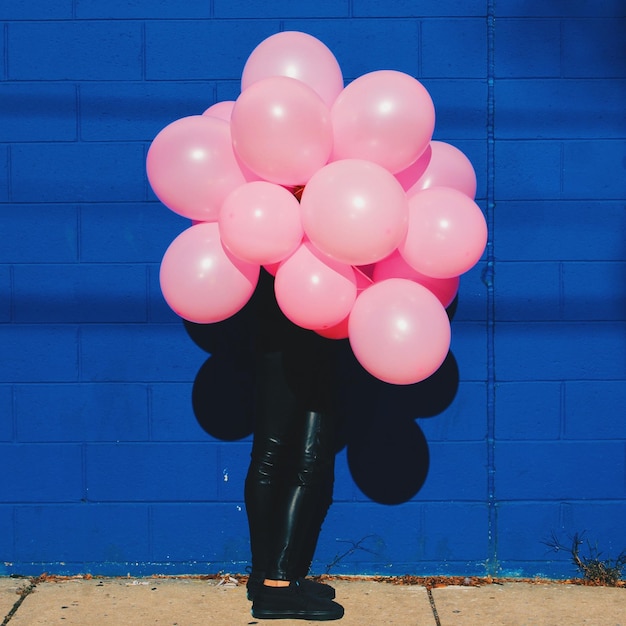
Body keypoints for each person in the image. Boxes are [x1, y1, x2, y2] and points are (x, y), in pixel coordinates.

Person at [244, 268, 345, 621]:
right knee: (305, 458)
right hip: (301, 320)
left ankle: (265, 578)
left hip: (290, 319)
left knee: (274, 453)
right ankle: (277, 586)